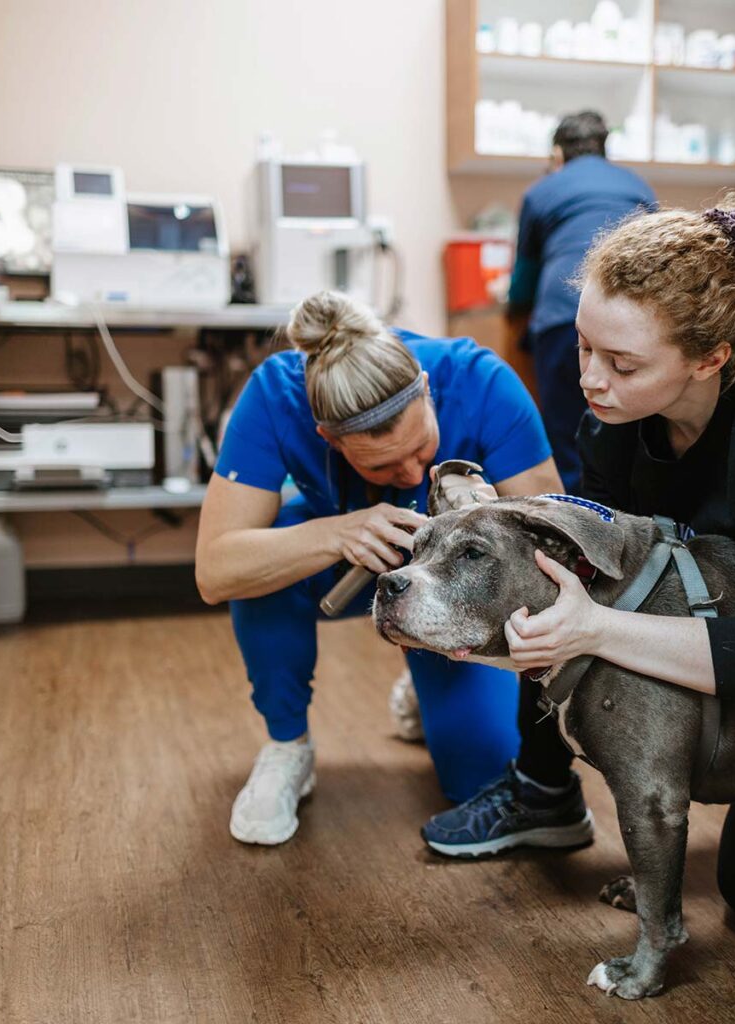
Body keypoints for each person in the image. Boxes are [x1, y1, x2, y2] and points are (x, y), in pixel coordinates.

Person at [422, 192, 735, 927]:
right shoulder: (611, 426)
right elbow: (581, 588)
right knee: (547, 592)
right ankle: (542, 793)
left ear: (711, 358)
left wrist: (596, 631)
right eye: (582, 346)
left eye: (622, 363)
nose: (590, 379)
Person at [195, 290, 569, 846]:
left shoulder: (482, 382)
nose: (412, 470)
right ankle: (287, 745)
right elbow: (216, 571)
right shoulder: (276, 394)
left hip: (451, 592)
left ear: (425, 387)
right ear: (329, 439)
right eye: (383, 465)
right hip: (342, 563)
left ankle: (424, 678)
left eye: (422, 448)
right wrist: (334, 532)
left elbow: (554, 555)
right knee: (266, 557)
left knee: (479, 776)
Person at [507, 110, 656, 493]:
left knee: (564, 430)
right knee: (633, 423)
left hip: (563, 317)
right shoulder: (637, 185)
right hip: (633, 321)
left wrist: (514, 310)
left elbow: (524, 274)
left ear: (557, 154)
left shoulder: (542, 191)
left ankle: (573, 522)